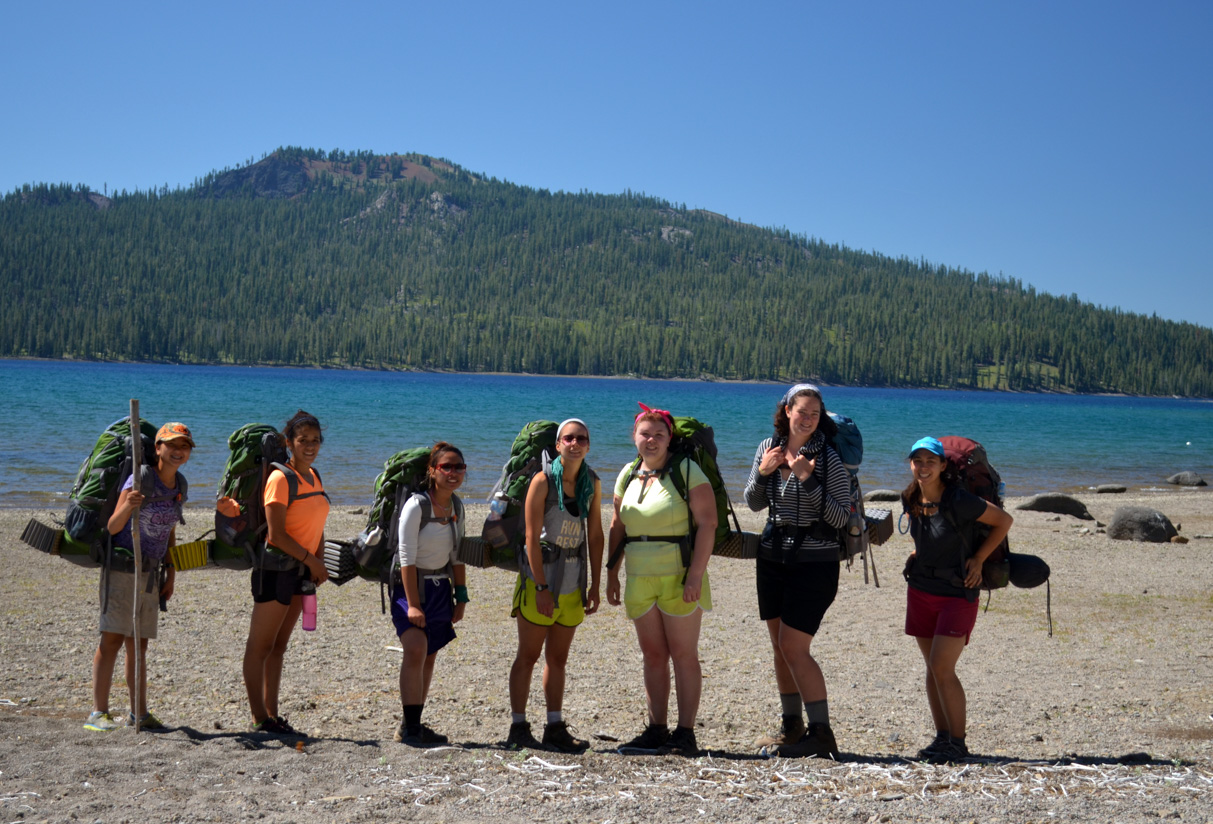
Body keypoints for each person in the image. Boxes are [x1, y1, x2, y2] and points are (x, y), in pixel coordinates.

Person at [743, 384, 851, 758]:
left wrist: (808, 478)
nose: (807, 419)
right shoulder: (767, 447)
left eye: (814, 414)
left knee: (794, 646)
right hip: (773, 557)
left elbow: (841, 517)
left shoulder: (829, 459)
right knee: (779, 647)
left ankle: (822, 734)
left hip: (815, 563)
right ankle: (792, 727)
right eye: (801, 411)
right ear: (787, 410)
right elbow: (753, 503)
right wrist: (763, 472)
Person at [606, 403, 716, 756]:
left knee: (684, 655)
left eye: (658, 434)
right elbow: (617, 526)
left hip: (679, 575)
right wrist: (610, 573)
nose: (651, 440)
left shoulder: (687, 471)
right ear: (633, 437)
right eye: (644, 434)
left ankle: (685, 733)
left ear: (670, 439)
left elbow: (708, 524)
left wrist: (695, 576)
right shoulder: (626, 473)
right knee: (652, 655)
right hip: (639, 576)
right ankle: (656, 728)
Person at [901, 436, 1012, 763]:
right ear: (911, 464)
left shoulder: (959, 499)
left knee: (941, 667)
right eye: (917, 461)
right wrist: (918, 552)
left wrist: (978, 559)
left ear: (943, 465)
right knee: (932, 670)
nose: (923, 468)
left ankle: (958, 743)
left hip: (957, 593)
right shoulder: (910, 497)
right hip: (920, 590)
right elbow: (930, 536)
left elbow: (1003, 522)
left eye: (930, 462)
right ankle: (942, 739)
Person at [86, 421, 194, 732]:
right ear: (157, 447)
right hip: (123, 567)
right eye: (171, 445)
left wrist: (171, 571)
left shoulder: (179, 486)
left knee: (139, 645)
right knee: (112, 639)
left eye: (184, 446)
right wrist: (129, 505)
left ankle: (139, 713)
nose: (178, 451)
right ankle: (98, 713)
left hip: (151, 572)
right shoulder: (140, 479)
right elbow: (114, 527)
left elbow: (170, 531)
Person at [506, 419, 604, 752]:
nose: (575, 443)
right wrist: (541, 587)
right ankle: (518, 726)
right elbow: (532, 538)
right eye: (568, 438)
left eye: (581, 438)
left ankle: (554, 725)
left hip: (574, 581)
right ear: (558, 445)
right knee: (528, 656)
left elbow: (595, 535)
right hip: (541, 579)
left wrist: (595, 586)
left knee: (558, 659)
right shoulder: (542, 481)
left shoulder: (592, 482)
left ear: (588, 446)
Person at [242, 411, 330, 735]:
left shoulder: (315, 476)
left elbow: (316, 523)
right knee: (259, 647)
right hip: (275, 570)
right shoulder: (280, 479)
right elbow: (276, 536)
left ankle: (272, 715)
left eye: (315, 440)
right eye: (302, 440)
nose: (310, 446)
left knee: (279, 647)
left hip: (300, 571)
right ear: (289, 442)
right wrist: (313, 560)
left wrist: (317, 562)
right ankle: (258, 718)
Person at [391, 441, 469, 745]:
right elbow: (406, 558)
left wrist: (461, 597)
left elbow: (457, 556)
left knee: (429, 654)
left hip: (440, 589)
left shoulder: (457, 506)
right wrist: (412, 605)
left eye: (458, 467)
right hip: (410, 587)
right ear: (432, 471)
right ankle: (411, 727)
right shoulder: (416, 506)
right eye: (445, 467)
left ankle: (412, 723)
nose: (453, 472)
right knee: (415, 648)